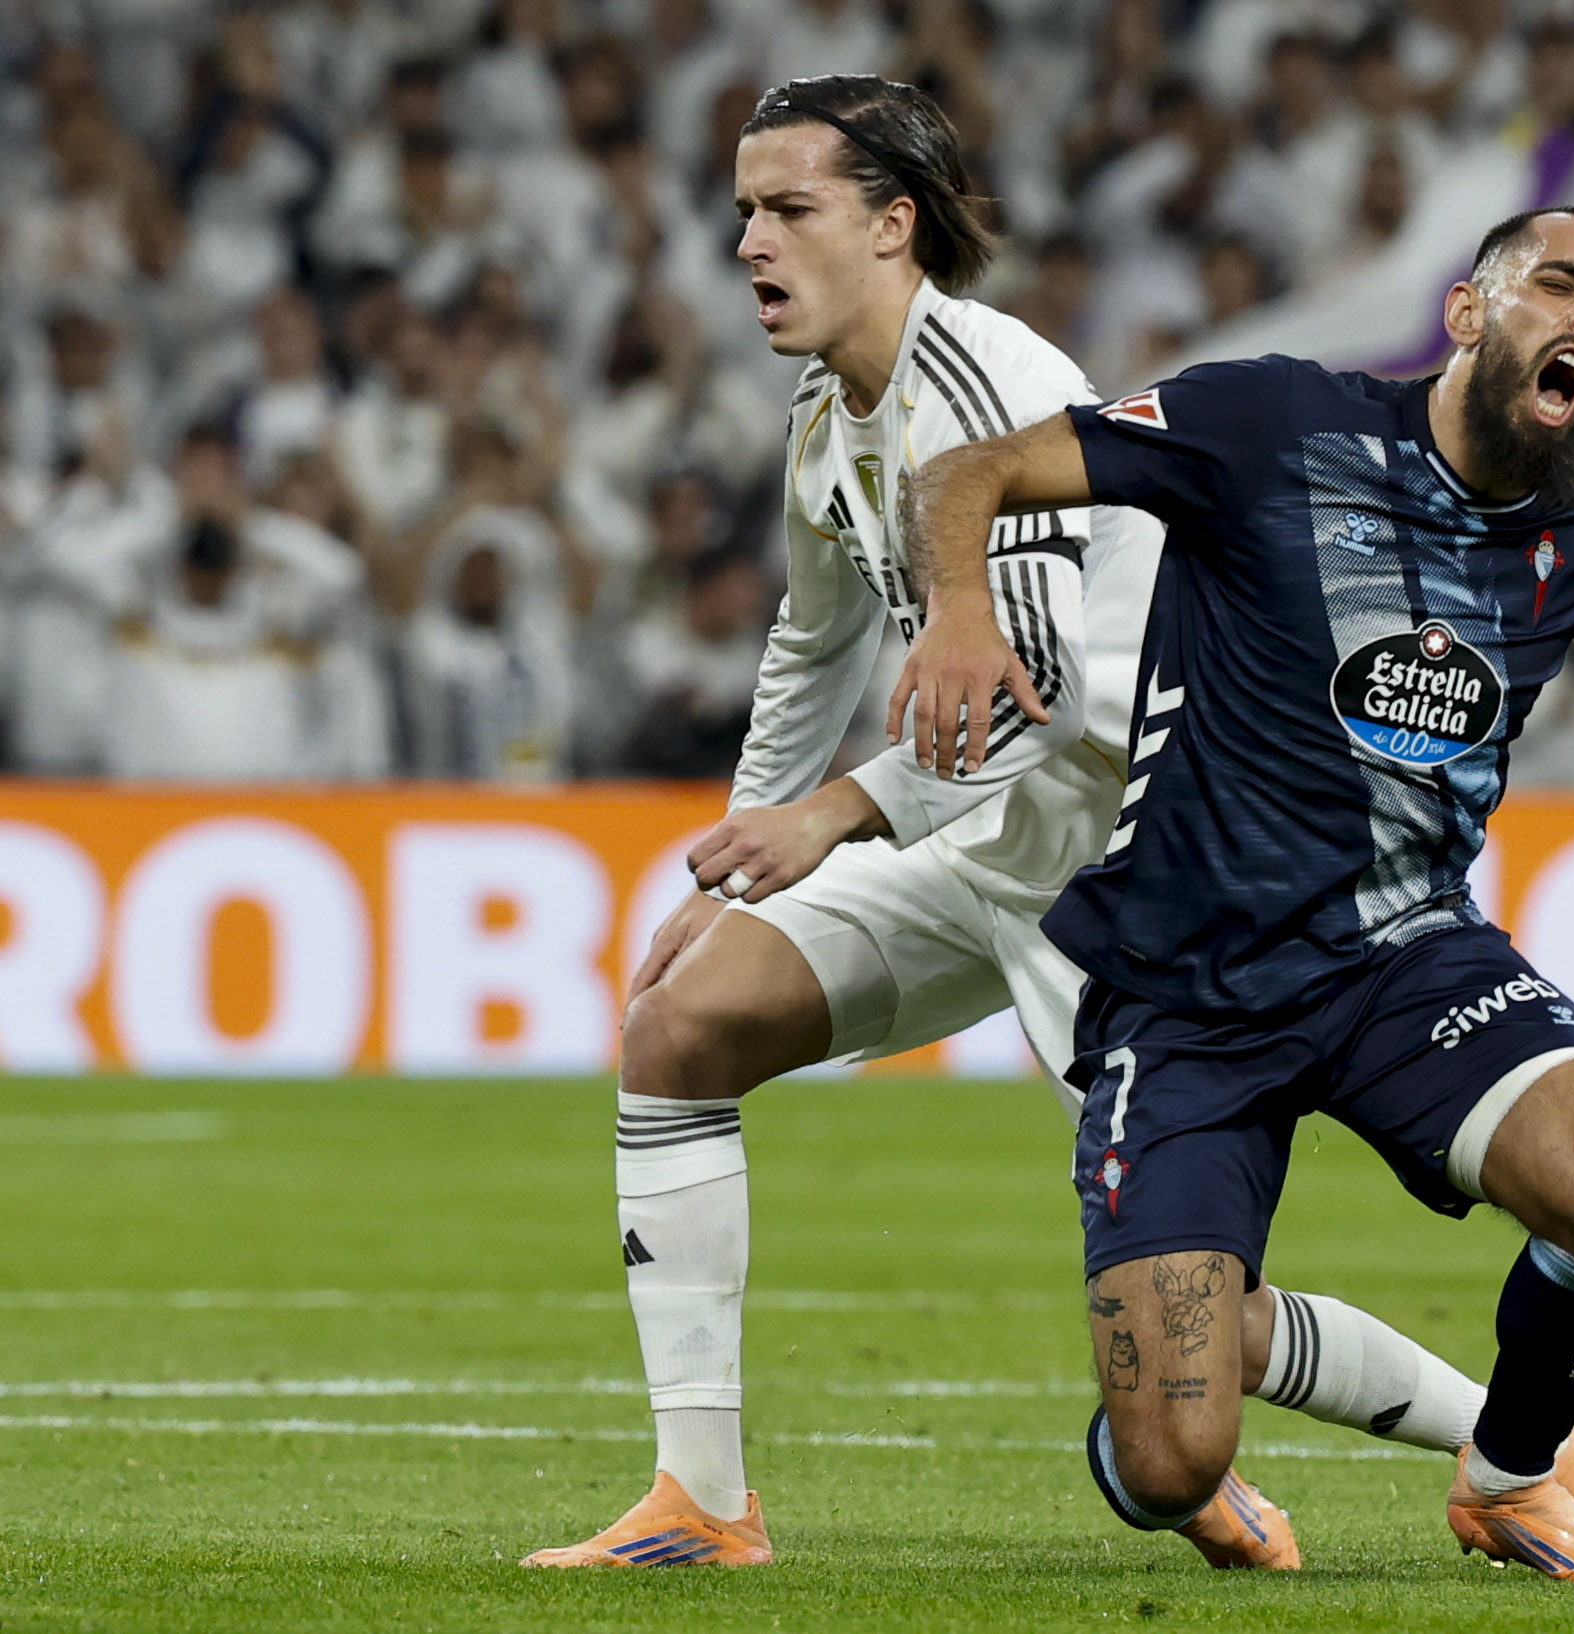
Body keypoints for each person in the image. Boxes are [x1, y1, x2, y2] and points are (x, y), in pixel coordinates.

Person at [893, 206, 1574, 1584]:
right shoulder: (1269, 423)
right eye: (1559, 283)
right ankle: (1196, 1358)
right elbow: (971, 470)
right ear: (1467, 313)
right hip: (1191, 990)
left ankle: (1509, 1474)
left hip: (1408, 960)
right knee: (1169, 1464)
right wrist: (962, 614)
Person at [524, 74, 1490, 1573]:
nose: (749, 244)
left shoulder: (982, 388)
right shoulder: (833, 406)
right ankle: (703, 1501)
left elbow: (1026, 691)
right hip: (978, 850)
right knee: (678, 1028)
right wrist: (736, 856)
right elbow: (814, 637)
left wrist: (832, 816)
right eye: (742, 214)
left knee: (1202, 1318)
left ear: (893, 223)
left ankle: (1528, 1447)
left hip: (1120, 884)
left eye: (788, 209)